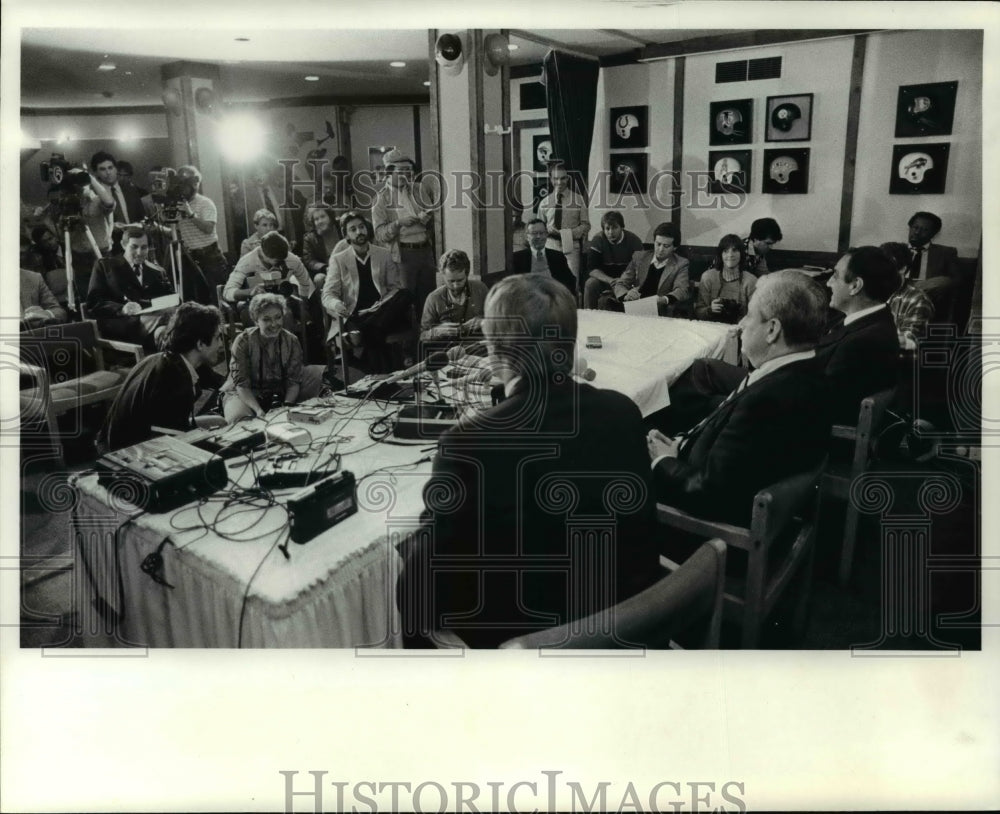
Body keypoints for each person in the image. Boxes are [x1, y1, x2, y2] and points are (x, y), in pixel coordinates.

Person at [396, 273, 660, 648]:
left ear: (493, 351)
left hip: (525, 655)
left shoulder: (466, 445)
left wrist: (418, 543)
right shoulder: (623, 411)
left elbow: (417, 599)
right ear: (569, 344)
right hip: (623, 628)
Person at [648, 270, 832, 525]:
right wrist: (678, 446)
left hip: (710, 531)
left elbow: (708, 494)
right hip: (707, 466)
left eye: (748, 315)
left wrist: (663, 461)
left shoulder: (769, 400)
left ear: (772, 330)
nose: (741, 324)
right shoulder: (804, 370)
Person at [96, 302, 226, 453]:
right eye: (217, 338)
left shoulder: (168, 359)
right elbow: (170, 445)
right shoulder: (173, 378)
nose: (221, 344)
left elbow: (218, 382)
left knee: (219, 422)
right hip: (128, 454)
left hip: (124, 440)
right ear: (200, 344)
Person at [322, 211, 414, 372]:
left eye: (361, 227)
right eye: (353, 229)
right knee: (377, 333)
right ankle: (385, 376)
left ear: (367, 229)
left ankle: (367, 330)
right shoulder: (339, 259)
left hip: (381, 310)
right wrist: (337, 305)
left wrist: (383, 302)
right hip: (356, 313)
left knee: (406, 294)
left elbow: (394, 287)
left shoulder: (383, 254)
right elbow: (328, 295)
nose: (359, 232)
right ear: (347, 236)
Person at [818, 246, 902, 423]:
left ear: (855, 286)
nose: (828, 283)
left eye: (835, 275)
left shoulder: (864, 340)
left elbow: (821, 399)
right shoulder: (873, 321)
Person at [219, 293, 323, 422]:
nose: (274, 324)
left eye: (278, 317)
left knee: (314, 373)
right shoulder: (243, 341)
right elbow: (241, 385)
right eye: (266, 319)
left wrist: (287, 405)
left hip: (279, 390)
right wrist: (258, 410)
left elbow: (293, 381)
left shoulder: (291, 340)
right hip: (244, 393)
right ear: (256, 321)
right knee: (240, 420)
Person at [85, 225, 175, 352]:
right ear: (123, 245)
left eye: (144, 247)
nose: (139, 252)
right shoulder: (106, 267)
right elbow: (94, 304)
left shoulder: (157, 271)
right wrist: (122, 309)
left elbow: (172, 300)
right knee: (169, 332)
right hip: (123, 324)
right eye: (134, 247)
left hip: (156, 322)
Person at [371, 149, 437, 317]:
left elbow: (434, 217)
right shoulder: (381, 199)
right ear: (389, 172)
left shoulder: (419, 189)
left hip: (426, 252)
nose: (406, 175)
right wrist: (398, 223)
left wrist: (427, 219)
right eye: (401, 172)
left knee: (429, 301)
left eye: (408, 171)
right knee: (407, 303)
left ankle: (427, 339)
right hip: (403, 256)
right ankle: (409, 342)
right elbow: (379, 234)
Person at [604, 222, 691, 316]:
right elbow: (621, 283)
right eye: (658, 244)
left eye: (666, 246)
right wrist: (627, 295)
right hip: (634, 304)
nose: (660, 249)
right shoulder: (639, 257)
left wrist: (664, 299)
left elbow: (682, 290)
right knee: (605, 302)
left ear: (675, 247)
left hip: (658, 309)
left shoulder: (681, 263)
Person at [174, 164, 229, 303]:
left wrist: (190, 214)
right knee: (198, 298)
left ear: (195, 185)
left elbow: (208, 228)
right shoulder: (178, 205)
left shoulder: (206, 203)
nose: (183, 189)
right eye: (181, 185)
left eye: (186, 185)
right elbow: (178, 233)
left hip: (210, 256)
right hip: (190, 257)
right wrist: (157, 227)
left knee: (217, 298)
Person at [534, 162, 590, 281]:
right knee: (551, 282)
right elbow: (538, 228)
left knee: (572, 281)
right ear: (551, 179)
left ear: (568, 178)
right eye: (556, 178)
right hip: (550, 245)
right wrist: (546, 230)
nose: (559, 182)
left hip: (571, 246)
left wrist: (566, 233)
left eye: (563, 178)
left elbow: (586, 225)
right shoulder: (544, 202)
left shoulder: (578, 200)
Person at [419, 249, 488, 345]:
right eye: (451, 281)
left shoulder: (480, 289)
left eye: (460, 280)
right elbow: (423, 337)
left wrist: (483, 321)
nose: (455, 285)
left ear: (467, 274)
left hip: (478, 347)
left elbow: (498, 322)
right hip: (448, 351)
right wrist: (438, 331)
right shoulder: (433, 298)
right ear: (443, 276)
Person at [582, 211, 644, 309]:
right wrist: (610, 280)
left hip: (627, 280)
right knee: (590, 284)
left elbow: (640, 269)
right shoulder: (598, 239)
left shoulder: (634, 241)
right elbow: (592, 269)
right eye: (607, 228)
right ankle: (589, 315)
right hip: (606, 280)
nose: (611, 232)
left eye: (615, 227)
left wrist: (625, 282)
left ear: (622, 227)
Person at [880, 242, 935, 349]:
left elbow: (909, 341)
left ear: (902, 269)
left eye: (886, 266)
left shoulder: (918, 300)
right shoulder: (870, 292)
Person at [695, 233, 758, 323]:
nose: (730, 255)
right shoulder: (708, 277)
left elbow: (755, 317)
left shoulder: (751, 281)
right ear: (720, 254)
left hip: (740, 330)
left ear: (742, 254)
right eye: (725, 251)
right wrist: (710, 310)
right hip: (711, 328)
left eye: (735, 250)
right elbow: (699, 312)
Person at [511, 218, 578, 294]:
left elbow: (570, 281)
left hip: (553, 296)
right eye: (534, 233)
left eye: (542, 233)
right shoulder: (517, 258)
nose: (539, 236)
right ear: (527, 237)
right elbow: (514, 285)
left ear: (546, 235)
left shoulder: (558, 256)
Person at [300, 204, 341, 287]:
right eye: (316, 219)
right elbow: (309, 260)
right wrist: (324, 268)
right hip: (327, 270)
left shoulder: (341, 228)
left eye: (323, 216)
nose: (320, 221)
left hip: (347, 264)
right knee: (319, 279)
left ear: (330, 216)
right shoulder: (309, 238)